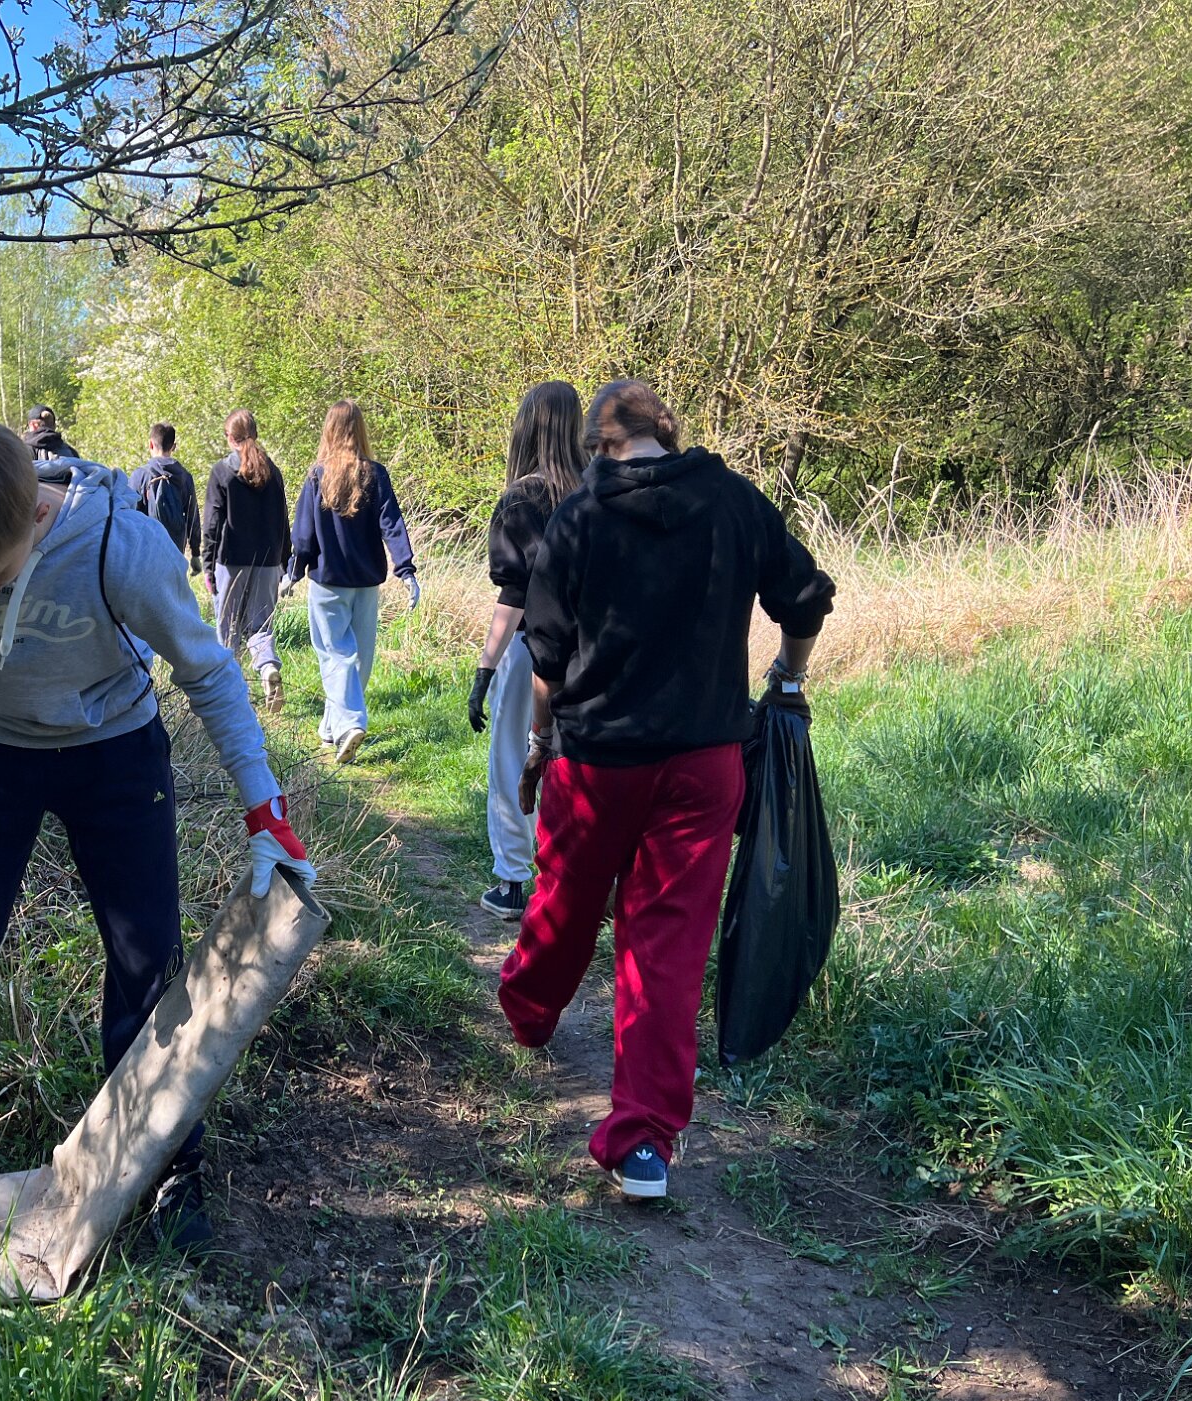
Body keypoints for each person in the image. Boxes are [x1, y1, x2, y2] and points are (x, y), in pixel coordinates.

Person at [0, 418, 316, 1253]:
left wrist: (263, 808)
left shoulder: (121, 548)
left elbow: (207, 670)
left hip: (113, 751)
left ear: (35, 517)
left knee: (145, 964)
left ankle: (166, 1168)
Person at [498, 380, 834, 1201]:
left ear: (597, 444)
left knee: (565, 898)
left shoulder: (578, 516)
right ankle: (643, 1143)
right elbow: (805, 597)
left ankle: (529, 1011)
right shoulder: (733, 501)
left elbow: (546, 658)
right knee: (668, 945)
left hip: (595, 760)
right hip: (704, 761)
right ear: (667, 432)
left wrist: (539, 742)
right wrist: (788, 675)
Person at [467, 382, 584, 922]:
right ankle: (569, 879)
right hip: (591, 646)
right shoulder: (596, 490)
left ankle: (513, 881)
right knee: (573, 761)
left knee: (513, 757)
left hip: (530, 647)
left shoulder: (521, 499)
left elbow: (513, 594)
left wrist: (484, 670)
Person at [289, 399, 417, 765]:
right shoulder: (375, 474)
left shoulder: (317, 475)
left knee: (336, 656)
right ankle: (332, 727)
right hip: (365, 583)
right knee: (359, 658)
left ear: (329, 430)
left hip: (328, 583)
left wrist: (293, 572)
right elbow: (392, 524)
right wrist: (406, 569)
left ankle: (349, 724)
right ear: (360, 429)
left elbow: (303, 535)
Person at [202, 410, 292, 712]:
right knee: (260, 626)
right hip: (268, 561)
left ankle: (232, 696)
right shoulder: (272, 471)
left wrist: (208, 564)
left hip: (231, 562)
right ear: (255, 433)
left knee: (228, 631)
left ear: (230, 437)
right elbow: (283, 519)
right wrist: (284, 560)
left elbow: (212, 523)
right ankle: (268, 668)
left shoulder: (222, 471)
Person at [129, 422, 200, 573]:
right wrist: (195, 554)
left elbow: (129, 517)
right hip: (175, 552)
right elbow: (192, 517)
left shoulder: (140, 476)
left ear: (150, 444)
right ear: (173, 447)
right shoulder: (185, 477)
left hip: (145, 555)